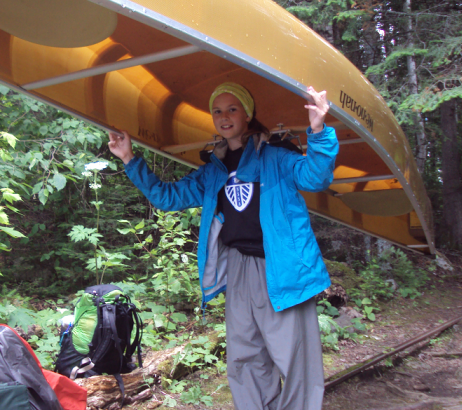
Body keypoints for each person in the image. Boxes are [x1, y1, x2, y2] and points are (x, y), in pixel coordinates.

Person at [108, 82, 339, 410]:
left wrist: (318, 129)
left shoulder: (276, 157)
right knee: (245, 355)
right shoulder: (212, 171)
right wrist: (129, 158)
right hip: (239, 267)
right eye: (218, 110)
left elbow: (316, 177)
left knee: (295, 358)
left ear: (247, 114)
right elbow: (166, 197)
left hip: (282, 267)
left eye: (232, 109)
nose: (224, 116)